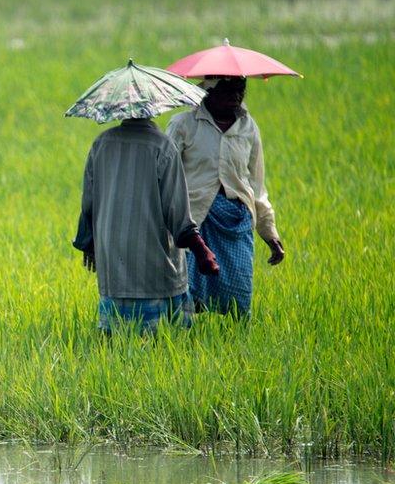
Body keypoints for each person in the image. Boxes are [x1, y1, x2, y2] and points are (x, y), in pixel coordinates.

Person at [73, 118, 219, 336]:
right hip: (155, 262)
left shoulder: (101, 143)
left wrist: (88, 244)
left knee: (115, 342)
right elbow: (178, 212)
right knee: (164, 344)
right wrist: (202, 250)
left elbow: (88, 203)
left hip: (113, 261)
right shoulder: (162, 146)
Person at [166, 77, 284, 318]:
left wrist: (269, 232)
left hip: (236, 222)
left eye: (240, 90)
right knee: (188, 293)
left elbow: (256, 184)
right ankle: (188, 341)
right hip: (194, 219)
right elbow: (165, 175)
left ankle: (232, 340)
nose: (235, 97)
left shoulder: (248, 127)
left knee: (237, 296)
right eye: (226, 90)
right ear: (208, 92)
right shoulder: (184, 125)